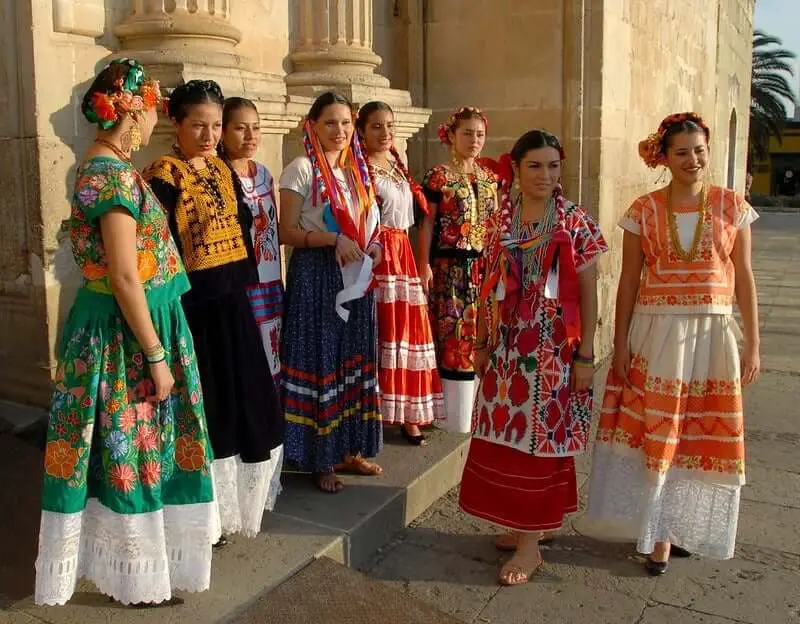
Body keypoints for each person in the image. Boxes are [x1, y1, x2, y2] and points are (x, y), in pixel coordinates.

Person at [35, 59, 218, 606]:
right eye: (147, 113)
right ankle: (135, 576)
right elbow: (122, 275)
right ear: (129, 113)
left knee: (133, 451)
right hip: (125, 336)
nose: (151, 125)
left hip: (132, 327)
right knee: (128, 451)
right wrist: (158, 356)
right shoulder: (110, 176)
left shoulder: (110, 168)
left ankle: (140, 569)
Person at [587, 112, 761, 575]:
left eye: (700, 150)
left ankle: (677, 523)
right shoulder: (642, 209)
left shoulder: (731, 206)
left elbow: (743, 277)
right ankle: (658, 532)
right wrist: (619, 345)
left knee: (696, 434)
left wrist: (753, 343)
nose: (693, 160)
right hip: (656, 332)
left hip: (712, 334)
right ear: (664, 157)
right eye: (682, 152)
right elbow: (628, 282)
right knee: (659, 430)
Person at [458, 130, 607, 586]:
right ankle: (520, 524)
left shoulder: (575, 223)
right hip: (507, 349)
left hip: (553, 352)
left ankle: (530, 546)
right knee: (506, 437)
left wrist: (586, 354)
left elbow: (587, 291)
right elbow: (486, 287)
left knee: (541, 441)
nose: (546, 175)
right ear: (516, 171)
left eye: (553, 166)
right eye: (535, 166)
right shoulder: (502, 222)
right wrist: (482, 343)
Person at [144, 80, 283, 541]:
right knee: (210, 409)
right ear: (176, 124)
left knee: (246, 399)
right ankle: (202, 519)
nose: (208, 135)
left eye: (215, 125)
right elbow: (157, 251)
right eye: (198, 125)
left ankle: (230, 514)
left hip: (234, 304)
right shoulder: (164, 175)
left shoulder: (223, 171)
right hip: (194, 310)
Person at [278, 91, 383, 493]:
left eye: (344, 123)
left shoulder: (358, 171)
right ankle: (319, 459)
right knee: (323, 359)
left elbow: (369, 224)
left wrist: (370, 245)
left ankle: (350, 449)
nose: (338, 131)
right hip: (318, 275)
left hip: (355, 274)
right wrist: (330, 240)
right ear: (313, 126)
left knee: (352, 358)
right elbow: (287, 232)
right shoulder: (301, 169)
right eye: (329, 123)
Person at [356, 101, 444, 445]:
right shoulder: (359, 168)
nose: (385, 132)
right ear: (361, 131)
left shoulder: (396, 162)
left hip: (402, 252)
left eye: (389, 126)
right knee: (384, 332)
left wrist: (422, 265)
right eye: (376, 126)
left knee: (410, 331)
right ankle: (377, 412)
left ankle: (409, 413)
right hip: (377, 254)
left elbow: (417, 219)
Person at [418, 107, 498, 433]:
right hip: (450, 268)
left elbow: (496, 224)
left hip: (483, 269)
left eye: (479, 134)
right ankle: (448, 413)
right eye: (467, 133)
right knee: (451, 335)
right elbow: (426, 224)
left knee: (481, 333)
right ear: (451, 135)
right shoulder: (438, 176)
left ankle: (476, 410)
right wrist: (422, 263)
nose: (474, 140)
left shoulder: (491, 178)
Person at [221, 97, 284, 387]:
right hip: (239, 280)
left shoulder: (264, 174)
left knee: (274, 348)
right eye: (240, 128)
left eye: (256, 128)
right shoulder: (218, 175)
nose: (251, 136)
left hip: (270, 278)